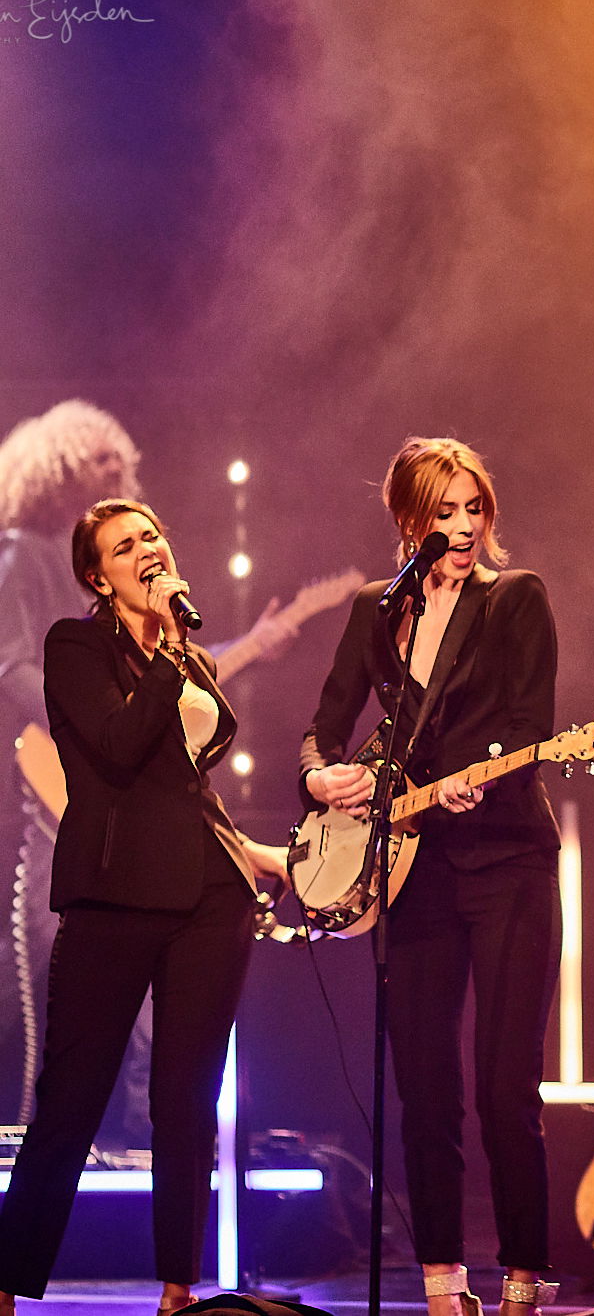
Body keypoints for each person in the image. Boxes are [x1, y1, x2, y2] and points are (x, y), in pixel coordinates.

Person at [0, 499, 287, 1309]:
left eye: (153, 535)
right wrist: (165, 653)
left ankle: (177, 1288)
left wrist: (252, 853)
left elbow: (186, 788)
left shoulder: (188, 659)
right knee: (72, 1098)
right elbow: (119, 750)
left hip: (207, 896)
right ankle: (9, 1283)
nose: (147, 550)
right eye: (126, 546)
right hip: (115, 894)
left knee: (187, 1098)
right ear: (98, 575)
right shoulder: (74, 645)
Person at [299, 438, 560, 1316]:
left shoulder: (516, 598)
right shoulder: (376, 610)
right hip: (415, 867)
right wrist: (317, 777)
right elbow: (324, 727)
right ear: (409, 522)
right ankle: (441, 1282)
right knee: (424, 1084)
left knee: (503, 1083)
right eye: (441, 513)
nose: (460, 528)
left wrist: (464, 784)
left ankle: (524, 1275)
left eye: (472, 509)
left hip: (510, 857)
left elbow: (529, 728)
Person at [0, 401, 298, 1134]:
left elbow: (179, 733)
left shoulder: (163, 634)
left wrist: (251, 644)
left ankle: (140, 1166)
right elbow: (19, 667)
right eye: (95, 461)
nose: (111, 469)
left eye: (149, 533)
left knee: (165, 1064)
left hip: (176, 861)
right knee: (67, 1036)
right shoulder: (26, 559)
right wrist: (79, 727)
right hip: (71, 794)